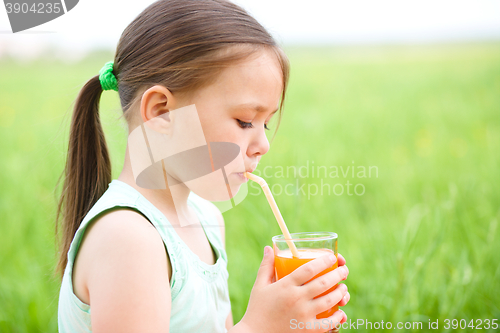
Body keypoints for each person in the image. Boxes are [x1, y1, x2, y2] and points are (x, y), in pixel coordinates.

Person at [54, 0, 350, 332]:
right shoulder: (129, 238)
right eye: (244, 121)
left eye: (265, 124)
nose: (264, 144)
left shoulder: (206, 220)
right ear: (162, 112)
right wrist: (257, 328)